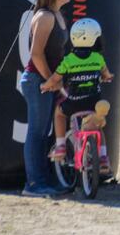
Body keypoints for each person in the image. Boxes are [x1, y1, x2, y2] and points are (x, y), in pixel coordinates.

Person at [19, 0, 72, 197]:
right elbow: (36, 54)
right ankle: (33, 184)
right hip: (37, 81)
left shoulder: (59, 15)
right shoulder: (45, 16)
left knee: (47, 133)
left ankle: (46, 179)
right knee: (37, 132)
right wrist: (51, 79)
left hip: (50, 81)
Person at [43, 18, 115, 176]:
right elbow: (106, 74)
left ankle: (61, 145)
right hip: (93, 102)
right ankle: (102, 157)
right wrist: (108, 77)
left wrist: (45, 85)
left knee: (59, 113)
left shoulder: (68, 60)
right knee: (98, 128)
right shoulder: (98, 58)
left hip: (73, 103)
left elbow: (55, 78)